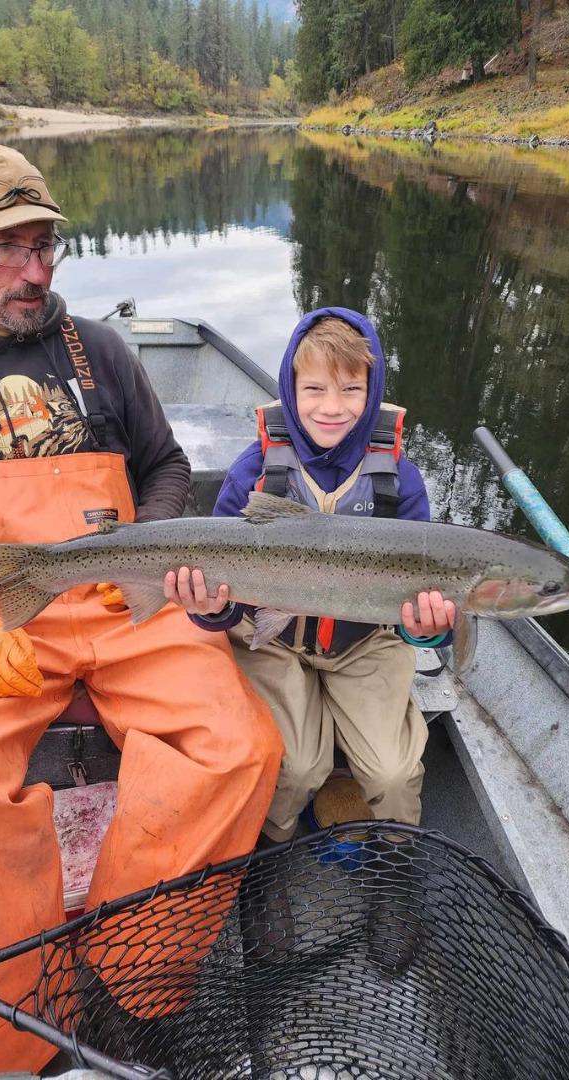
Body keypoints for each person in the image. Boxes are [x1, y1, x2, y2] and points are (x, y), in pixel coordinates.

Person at [0, 142, 282, 1078]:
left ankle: (130, 977)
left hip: (130, 599)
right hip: (1, 617)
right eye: (9, 246)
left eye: (47, 244)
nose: (35, 271)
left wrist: (157, 550)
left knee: (240, 746)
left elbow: (166, 469)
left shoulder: (103, 349)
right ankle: (15, 1026)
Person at [164, 308, 455, 846]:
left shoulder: (402, 482)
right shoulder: (253, 470)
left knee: (394, 773)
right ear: (289, 389)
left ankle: (395, 862)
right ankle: (269, 847)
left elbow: (419, 615)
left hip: (366, 643)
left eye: (350, 390)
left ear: (373, 392)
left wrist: (428, 629)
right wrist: (210, 608)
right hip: (268, 641)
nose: (331, 407)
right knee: (292, 768)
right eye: (314, 388)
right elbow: (224, 599)